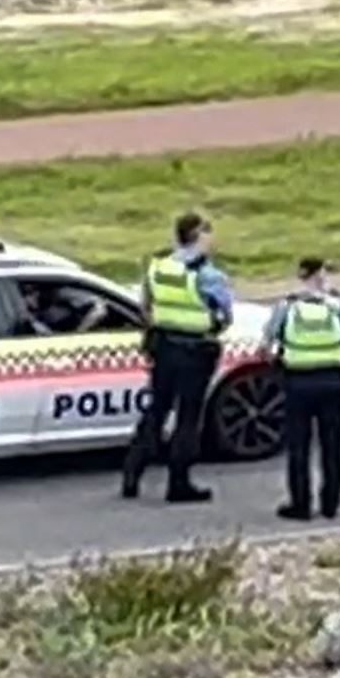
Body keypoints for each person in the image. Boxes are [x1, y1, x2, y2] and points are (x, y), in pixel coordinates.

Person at [125, 210, 233, 505]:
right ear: (198, 235)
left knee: (156, 410)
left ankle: (132, 473)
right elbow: (225, 317)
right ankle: (179, 483)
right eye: (208, 232)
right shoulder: (209, 275)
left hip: (163, 346)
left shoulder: (158, 266)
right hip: (194, 351)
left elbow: (145, 306)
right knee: (188, 418)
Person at [269, 256, 340, 522]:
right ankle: (330, 504)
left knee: (298, 449)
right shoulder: (337, 307)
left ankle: (300, 505)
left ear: (301, 276)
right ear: (321, 275)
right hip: (331, 385)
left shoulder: (287, 307)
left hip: (297, 385)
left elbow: (266, 347)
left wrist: (283, 366)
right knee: (332, 448)